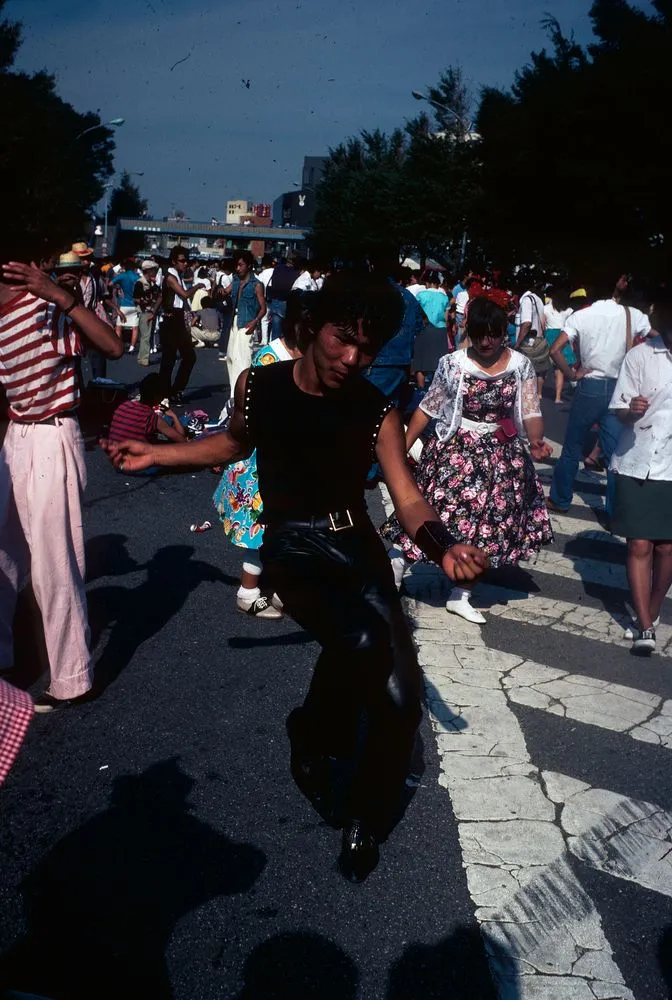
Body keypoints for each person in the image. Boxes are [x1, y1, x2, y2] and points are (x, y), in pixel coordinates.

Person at [103, 271, 488, 882]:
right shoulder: (260, 385)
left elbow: (408, 499)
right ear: (313, 327)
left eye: (369, 348)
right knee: (361, 642)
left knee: (400, 696)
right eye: (344, 339)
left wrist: (443, 546)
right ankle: (313, 736)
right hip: (293, 546)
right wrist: (161, 455)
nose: (353, 358)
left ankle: (366, 814)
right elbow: (232, 445)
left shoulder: (374, 408)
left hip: (354, 545)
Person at [0, 253, 123, 711]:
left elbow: (112, 347)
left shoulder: (44, 305)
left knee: (54, 562)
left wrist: (60, 296)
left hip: (54, 434)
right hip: (15, 436)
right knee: (3, 553)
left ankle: (72, 678)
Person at [382, 297, 553, 623]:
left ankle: (461, 594)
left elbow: (530, 409)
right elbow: (428, 408)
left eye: (493, 334)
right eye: (479, 334)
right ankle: (398, 564)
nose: (486, 342)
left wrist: (536, 440)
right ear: (468, 331)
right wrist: (400, 448)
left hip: (502, 457)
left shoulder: (520, 365)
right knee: (436, 515)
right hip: (456, 453)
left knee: (487, 527)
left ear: (505, 331)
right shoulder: (453, 363)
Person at [213, 293, 306, 619]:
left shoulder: (306, 357)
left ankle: (278, 589)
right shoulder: (270, 358)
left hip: (290, 457)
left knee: (284, 525)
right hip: (263, 459)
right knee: (261, 527)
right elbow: (257, 415)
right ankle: (248, 592)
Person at [547, 274, 651, 515]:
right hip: (620, 388)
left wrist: (572, 375)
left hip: (590, 386)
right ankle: (615, 509)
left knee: (572, 447)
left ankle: (561, 499)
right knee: (615, 453)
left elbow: (555, 350)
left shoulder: (581, 316)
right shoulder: (632, 315)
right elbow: (655, 336)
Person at [608, 291, 672, 654]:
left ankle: (653, 608)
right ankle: (644, 626)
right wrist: (632, 409)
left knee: (666, 547)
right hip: (638, 459)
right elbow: (620, 410)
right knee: (639, 543)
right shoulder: (641, 356)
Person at [159, 245, 202, 404]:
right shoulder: (170, 277)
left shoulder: (177, 277)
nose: (185, 264)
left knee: (189, 357)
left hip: (177, 319)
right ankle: (165, 393)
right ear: (173, 262)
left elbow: (161, 297)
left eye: (186, 261)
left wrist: (154, 311)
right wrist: (197, 286)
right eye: (182, 261)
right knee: (168, 360)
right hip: (171, 320)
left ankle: (175, 390)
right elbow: (184, 295)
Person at [227, 251, 266, 396]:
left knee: (243, 359)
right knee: (230, 357)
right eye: (236, 265)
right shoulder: (236, 281)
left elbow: (263, 308)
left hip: (247, 323)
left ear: (248, 265)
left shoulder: (257, 285)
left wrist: (255, 322)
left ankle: (243, 392)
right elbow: (224, 292)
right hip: (234, 322)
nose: (237, 268)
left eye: (240, 265)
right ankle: (233, 392)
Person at [108, 372, 186, 445]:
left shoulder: (123, 406)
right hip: (134, 457)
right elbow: (181, 440)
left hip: (114, 453)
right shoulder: (151, 417)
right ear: (157, 397)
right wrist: (173, 415)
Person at [514, 278, 549, 397]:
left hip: (529, 342)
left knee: (527, 372)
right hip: (539, 339)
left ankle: (528, 396)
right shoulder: (538, 299)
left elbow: (527, 323)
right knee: (539, 371)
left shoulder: (526, 300)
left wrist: (518, 343)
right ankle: (538, 395)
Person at [543, 286, 574, 404]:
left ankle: (539, 393)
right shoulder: (568, 310)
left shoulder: (545, 309)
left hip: (549, 335)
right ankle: (558, 397)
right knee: (560, 368)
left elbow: (543, 323)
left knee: (545, 367)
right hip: (562, 335)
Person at [266, 253, 300, 341]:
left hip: (275, 299)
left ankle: (274, 347)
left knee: (276, 329)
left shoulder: (278, 268)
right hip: (287, 301)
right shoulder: (296, 272)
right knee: (286, 329)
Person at [133, 260, 161, 367]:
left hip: (151, 311)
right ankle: (144, 359)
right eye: (153, 270)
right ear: (148, 271)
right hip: (144, 311)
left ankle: (142, 357)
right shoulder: (140, 283)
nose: (155, 272)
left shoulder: (153, 284)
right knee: (146, 336)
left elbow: (159, 296)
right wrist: (144, 300)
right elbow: (135, 298)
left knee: (148, 336)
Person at [111, 259, 141, 353]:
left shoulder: (122, 276)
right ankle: (132, 346)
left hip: (124, 303)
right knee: (135, 327)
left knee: (119, 326)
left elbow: (110, 283)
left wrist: (118, 287)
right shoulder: (137, 276)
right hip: (135, 304)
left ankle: (119, 344)